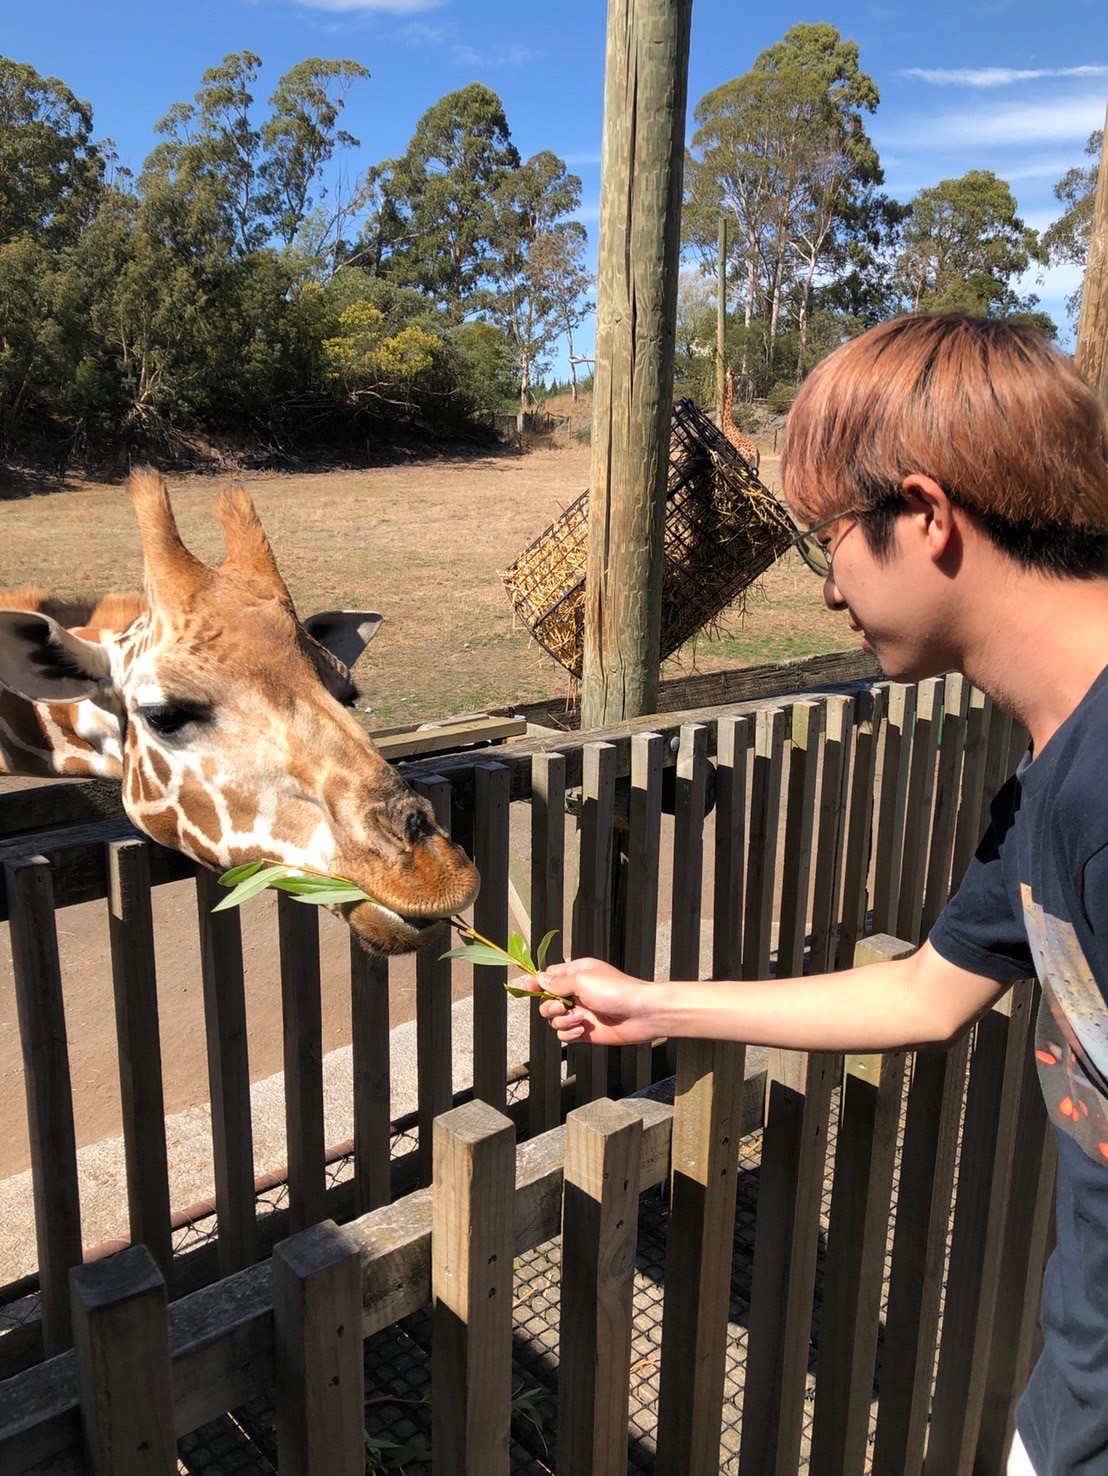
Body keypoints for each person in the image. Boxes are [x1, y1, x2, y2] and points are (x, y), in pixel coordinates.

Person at [527, 314, 1108, 1476]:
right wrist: (653, 1005)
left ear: (928, 515)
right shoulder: (1049, 769)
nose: (828, 587)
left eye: (826, 539)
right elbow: (925, 993)